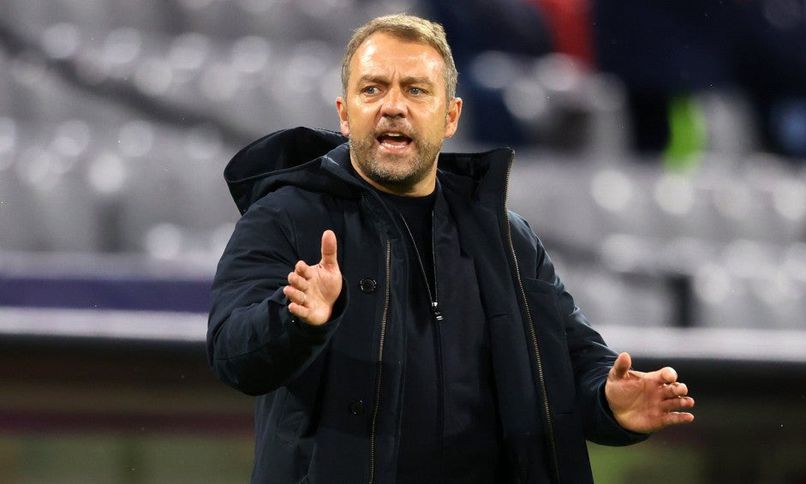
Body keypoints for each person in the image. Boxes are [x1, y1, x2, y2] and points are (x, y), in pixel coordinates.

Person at [207, 14, 694, 484]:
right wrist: (295, 321)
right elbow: (232, 353)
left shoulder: (507, 238)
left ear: (451, 116)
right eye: (372, 89)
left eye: (416, 90)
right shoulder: (285, 216)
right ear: (344, 113)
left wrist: (609, 402)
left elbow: (571, 363)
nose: (392, 106)